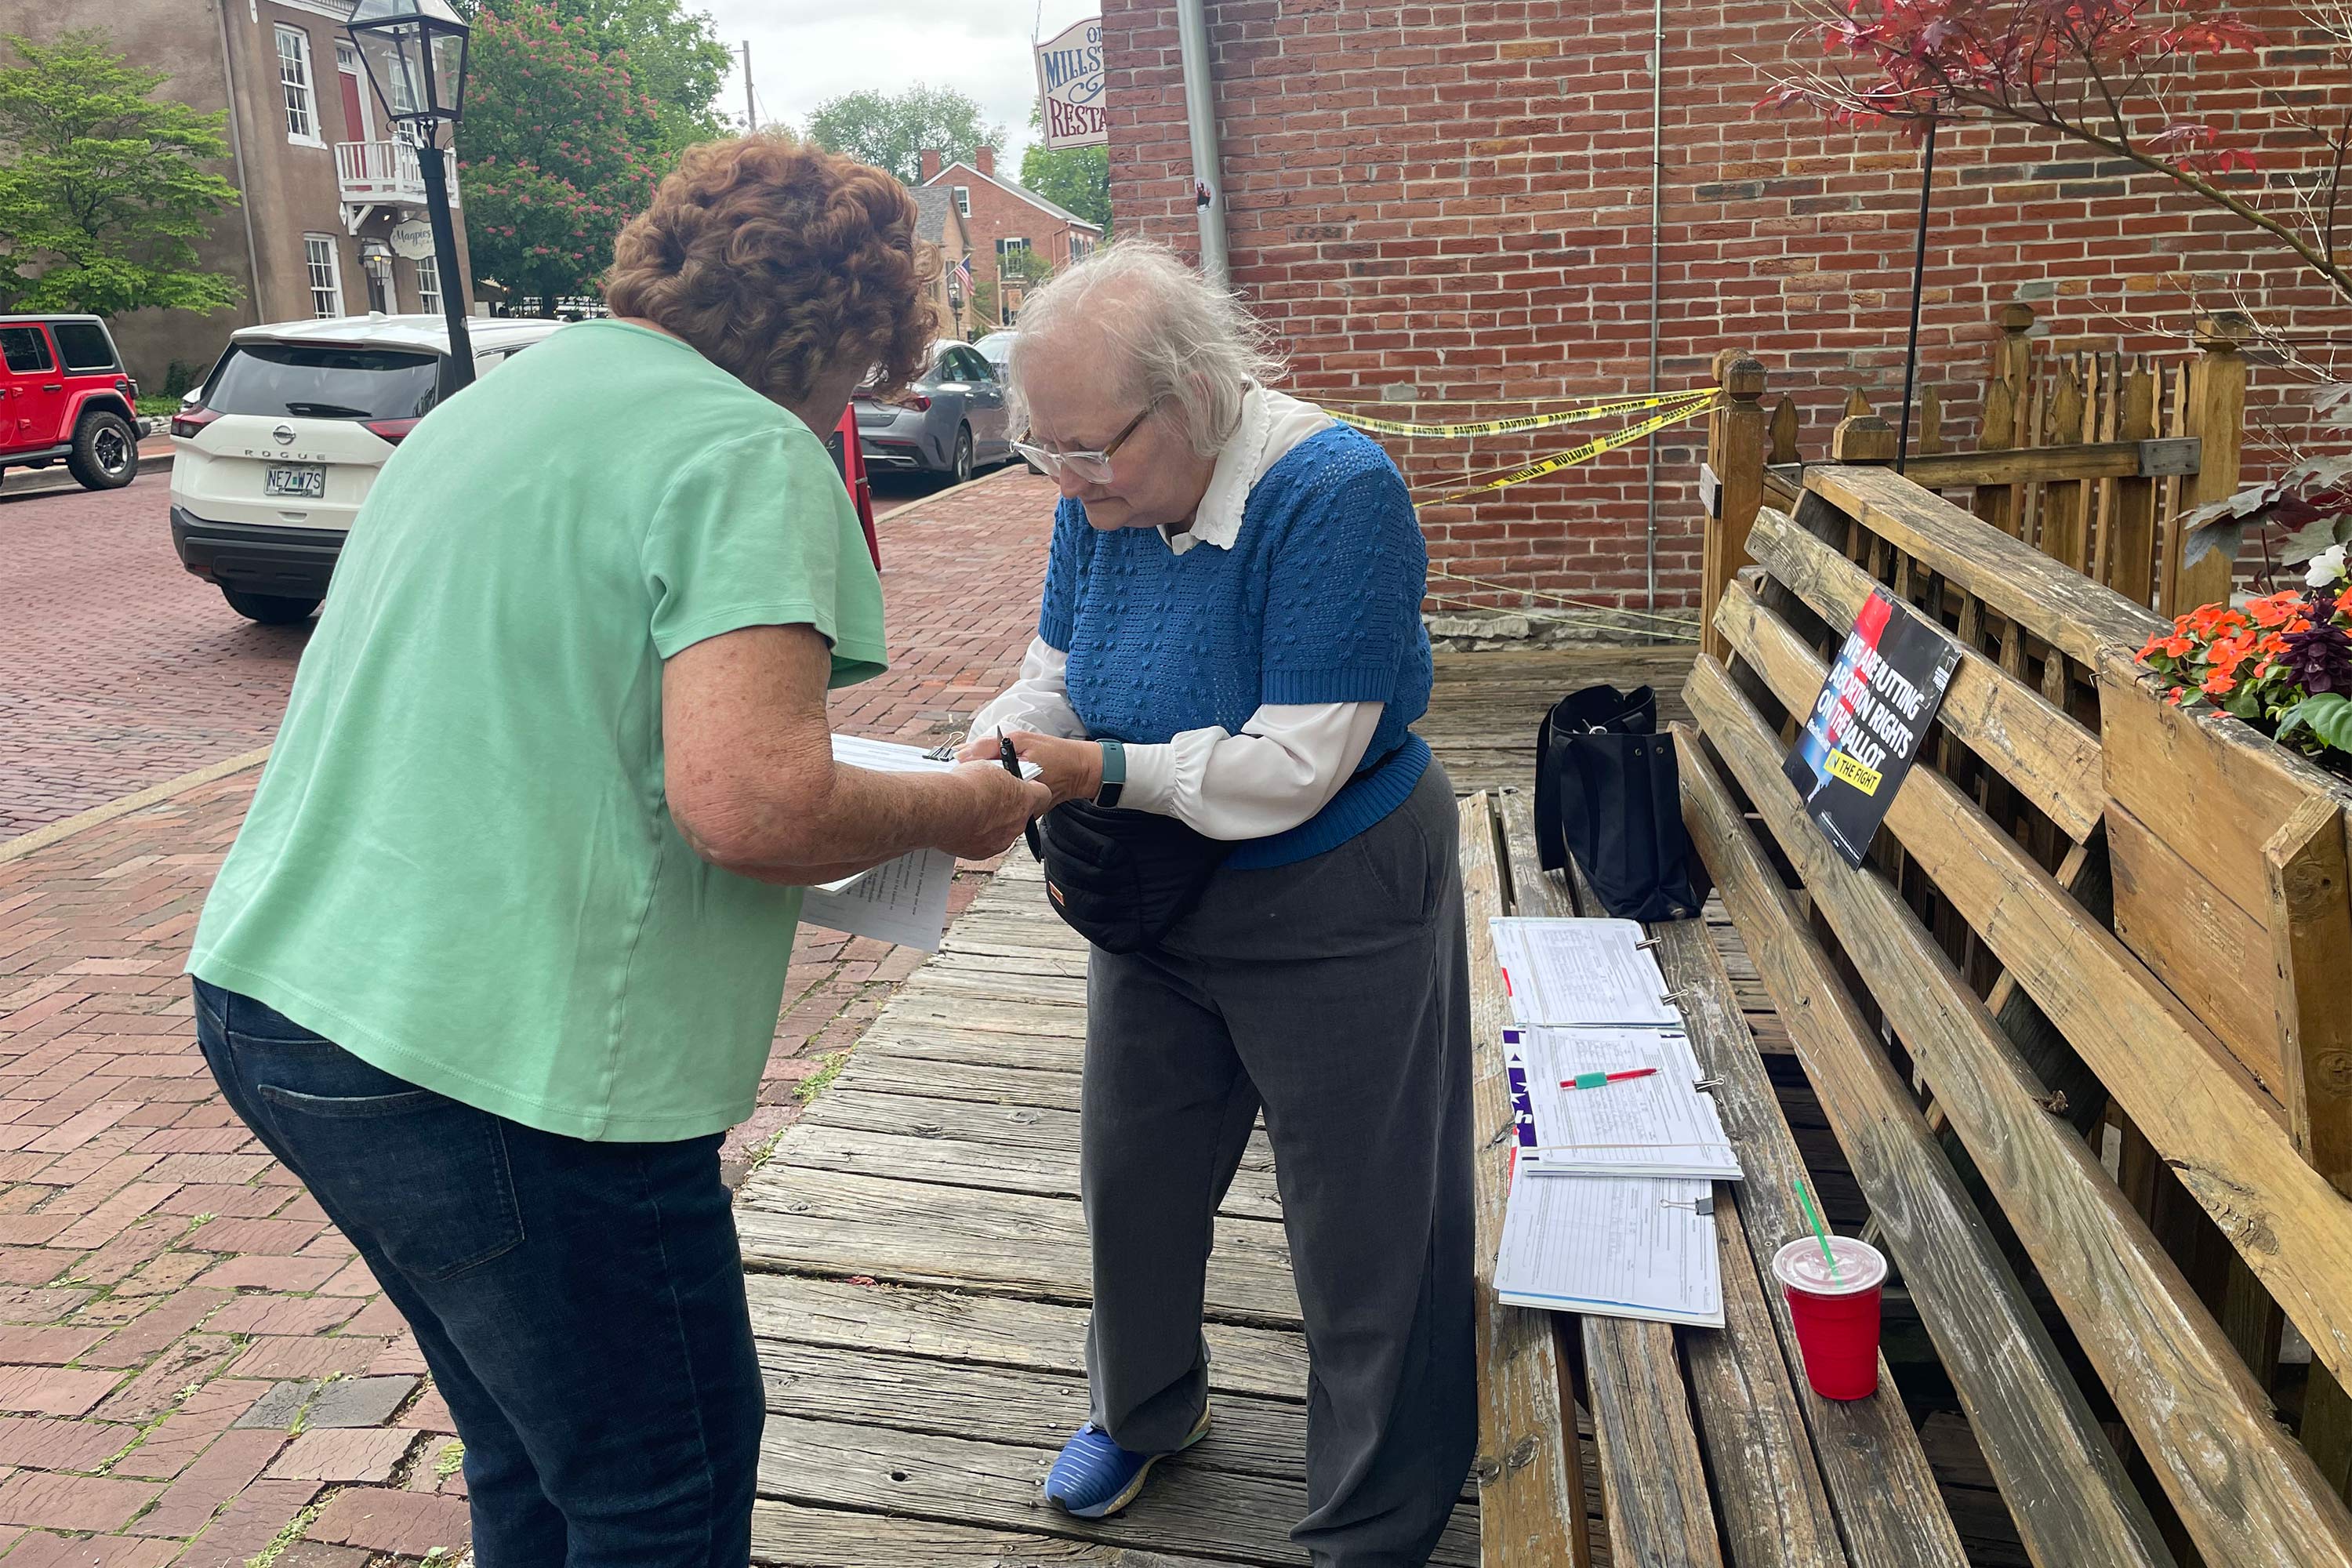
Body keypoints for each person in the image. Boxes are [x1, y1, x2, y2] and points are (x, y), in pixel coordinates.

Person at [184, 136, 1050, 1567]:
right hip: (510, 1075)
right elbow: (756, 803)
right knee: (665, 1489)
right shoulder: (741, 444)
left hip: (289, 1003)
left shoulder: (502, 403)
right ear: (847, 329)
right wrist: (960, 811)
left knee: (531, 1445)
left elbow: (581, 722)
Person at [962, 244, 1474, 1568]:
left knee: (1368, 1217)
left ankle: (1374, 1518)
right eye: (1045, 451)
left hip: (1334, 890)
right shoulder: (1100, 490)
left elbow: (1299, 762)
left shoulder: (1333, 491)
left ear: (1192, 396)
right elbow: (1057, 670)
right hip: (1149, 891)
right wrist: (1000, 743)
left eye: (1088, 450)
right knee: (1134, 1170)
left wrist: (1098, 771)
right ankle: (1143, 1414)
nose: (1068, 482)